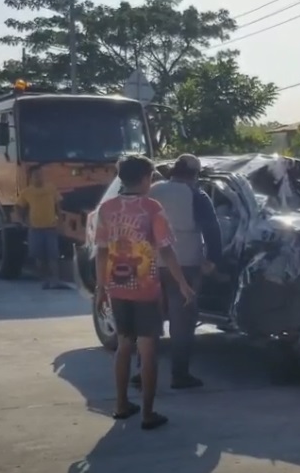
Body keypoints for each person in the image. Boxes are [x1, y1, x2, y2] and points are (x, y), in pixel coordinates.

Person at [94, 155, 195, 431]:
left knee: (124, 345)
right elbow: (165, 249)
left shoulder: (107, 209)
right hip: (146, 289)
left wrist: (101, 287)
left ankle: (121, 404)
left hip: (116, 287)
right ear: (144, 178)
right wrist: (183, 283)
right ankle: (148, 413)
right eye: (151, 177)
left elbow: (101, 252)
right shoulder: (152, 208)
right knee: (148, 350)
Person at [143, 153, 222, 390]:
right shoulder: (196, 195)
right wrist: (213, 259)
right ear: (195, 174)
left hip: (151, 262)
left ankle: (142, 373)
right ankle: (180, 375)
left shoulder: (154, 190)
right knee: (182, 322)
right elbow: (212, 229)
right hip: (185, 263)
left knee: (149, 321)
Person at [16, 166, 63, 289]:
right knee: (39, 257)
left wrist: (60, 222)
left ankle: (56, 280)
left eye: (41, 175)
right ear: (31, 178)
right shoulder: (26, 192)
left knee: (53, 256)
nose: (39, 177)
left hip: (50, 228)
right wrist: (22, 222)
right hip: (35, 229)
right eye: (36, 175)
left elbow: (58, 206)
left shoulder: (51, 188)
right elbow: (18, 207)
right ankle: (45, 280)